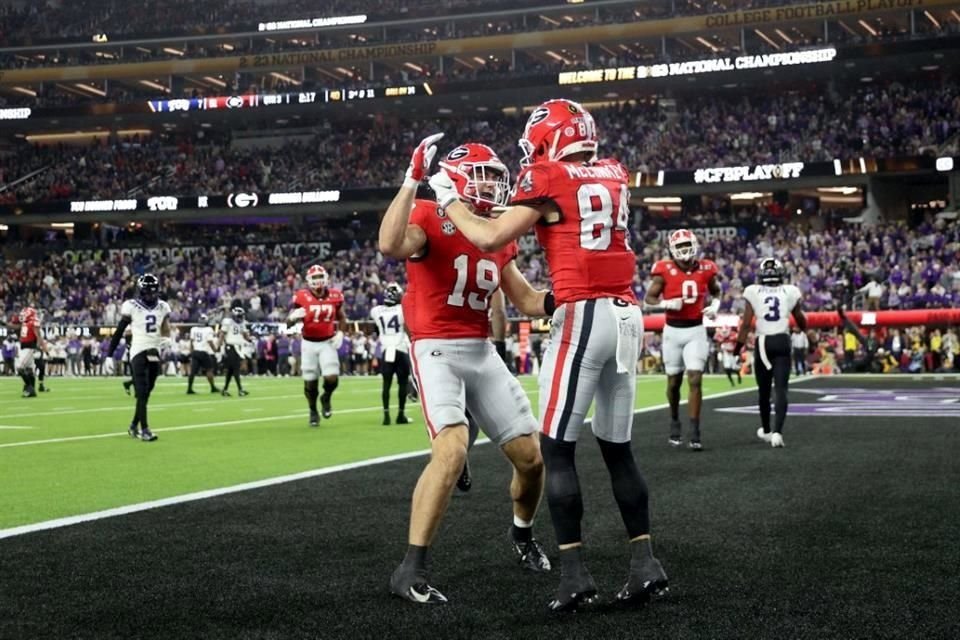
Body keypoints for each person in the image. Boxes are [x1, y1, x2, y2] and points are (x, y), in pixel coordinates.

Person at [431, 99, 667, 611]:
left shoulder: (547, 173)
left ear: (550, 137)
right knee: (617, 449)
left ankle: (575, 576)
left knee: (558, 450)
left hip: (583, 314)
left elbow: (489, 235)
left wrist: (448, 198)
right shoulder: (616, 169)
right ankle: (645, 564)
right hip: (628, 313)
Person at [380, 137, 552, 604]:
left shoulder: (497, 231)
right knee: (452, 453)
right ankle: (410, 568)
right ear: (455, 176)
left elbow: (527, 301)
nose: (494, 185)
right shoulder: (427, 214)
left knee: (532, 461)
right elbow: (390, 243)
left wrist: (567, 297)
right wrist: (411, 180)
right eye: (485, 174)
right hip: (434, 346)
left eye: (498, 177)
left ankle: (522, 534)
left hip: (480, 349)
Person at [643, 229, 722, 451]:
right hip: (672, 331)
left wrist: (714, 307)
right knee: (673, 383)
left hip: (696, 330)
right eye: (679, 246)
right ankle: (674, 420)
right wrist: (667, 304)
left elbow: (717, 292)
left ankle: (695, 431)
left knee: (695, 379)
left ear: (695, 245)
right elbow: (648, 299)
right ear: (671, 249)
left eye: (687, 245)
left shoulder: (707, 268)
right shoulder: (663, 270)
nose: (684, 250)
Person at [734, 258, 806, 448]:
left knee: (764, 391)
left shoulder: (754, 291)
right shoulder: (789, 291)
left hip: (763, 341)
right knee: (781, 389)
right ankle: (777, 433)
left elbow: (747, 324)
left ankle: (766, 430)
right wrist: (805, 329)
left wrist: (736, 349)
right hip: (782, 340)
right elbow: (800, 318)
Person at [108, 274, 172, 442]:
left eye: (153, 292)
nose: (151, 296)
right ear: (141, 291)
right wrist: (109, 354)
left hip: (154, 351)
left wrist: (166, 338)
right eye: (148, 292)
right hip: (137, 351)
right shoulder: (131, 306)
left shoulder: (163, 306)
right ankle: (144, 430)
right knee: (142, 392)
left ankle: (133, 425)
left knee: (147, 392)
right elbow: (120, 330)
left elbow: (165, 327)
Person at [287, 264, 347, 427]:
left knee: (332, 377)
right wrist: (292, 319)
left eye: (320, 277)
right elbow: (288, 326)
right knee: (310, 381)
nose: (318, 280)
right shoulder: (301, 297)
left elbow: (342, 317)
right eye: (315, 278)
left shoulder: (335, 295)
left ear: (326, 278)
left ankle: (326, 396)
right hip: (308, 343)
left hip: (327, 341)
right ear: (308, 280)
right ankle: (313, 410)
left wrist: (341, 332)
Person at [370, 282, 413, 426]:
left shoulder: (376, 311)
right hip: (400, 349)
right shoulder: (402, 309)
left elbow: (377, 328)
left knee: (386, 384)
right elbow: (407, 327)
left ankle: (386, 416)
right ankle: (401, 414)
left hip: (386, 349)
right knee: (402, 383)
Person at [219, 305, 251, 397]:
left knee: (230, 370)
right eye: (239, 316)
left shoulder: (242, 323)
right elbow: (222, 334)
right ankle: (240, 390)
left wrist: (249, 339)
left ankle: (225, 389)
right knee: (236, 369)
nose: (241, 318)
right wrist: (219, 345)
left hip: (238, 348)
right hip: (231, 347)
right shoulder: (227, 322)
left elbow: (245, 335)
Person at [13, 307, 45, 398]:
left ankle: (29, 387)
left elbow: (38, 337)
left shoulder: (33, 322)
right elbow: (15, 327)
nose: (23, 315)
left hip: (30, 348)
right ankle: (32, 391)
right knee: (30, 370)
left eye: (25, 313)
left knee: (20, 367)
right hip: (25, 348)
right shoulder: (25, 323)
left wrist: (37, 347)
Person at [187, 314, 220, 394]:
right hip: (203, 352)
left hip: (195, 351)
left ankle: (189, 388)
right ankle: (212, 387)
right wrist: (215, 350)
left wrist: (191, 352)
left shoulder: (193, 329)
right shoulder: (208, 329)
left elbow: (191, 342)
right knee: (209, 369)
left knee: (193, 372)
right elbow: (210, 341)